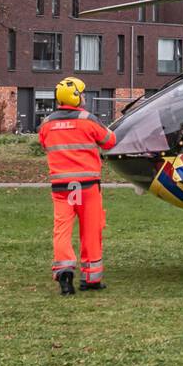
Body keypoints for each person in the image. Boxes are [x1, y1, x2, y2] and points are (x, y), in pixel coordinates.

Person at [38, 77, 116, 295]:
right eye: (82, 93)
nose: (84, 97)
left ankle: (64, 273)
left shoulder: (47, 124)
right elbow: (110, 140)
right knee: (91, 230)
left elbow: (43, 143)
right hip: (88, 187)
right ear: (75, 97)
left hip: (61, 188)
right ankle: (91, 279)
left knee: (61, 230)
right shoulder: (88, 120)